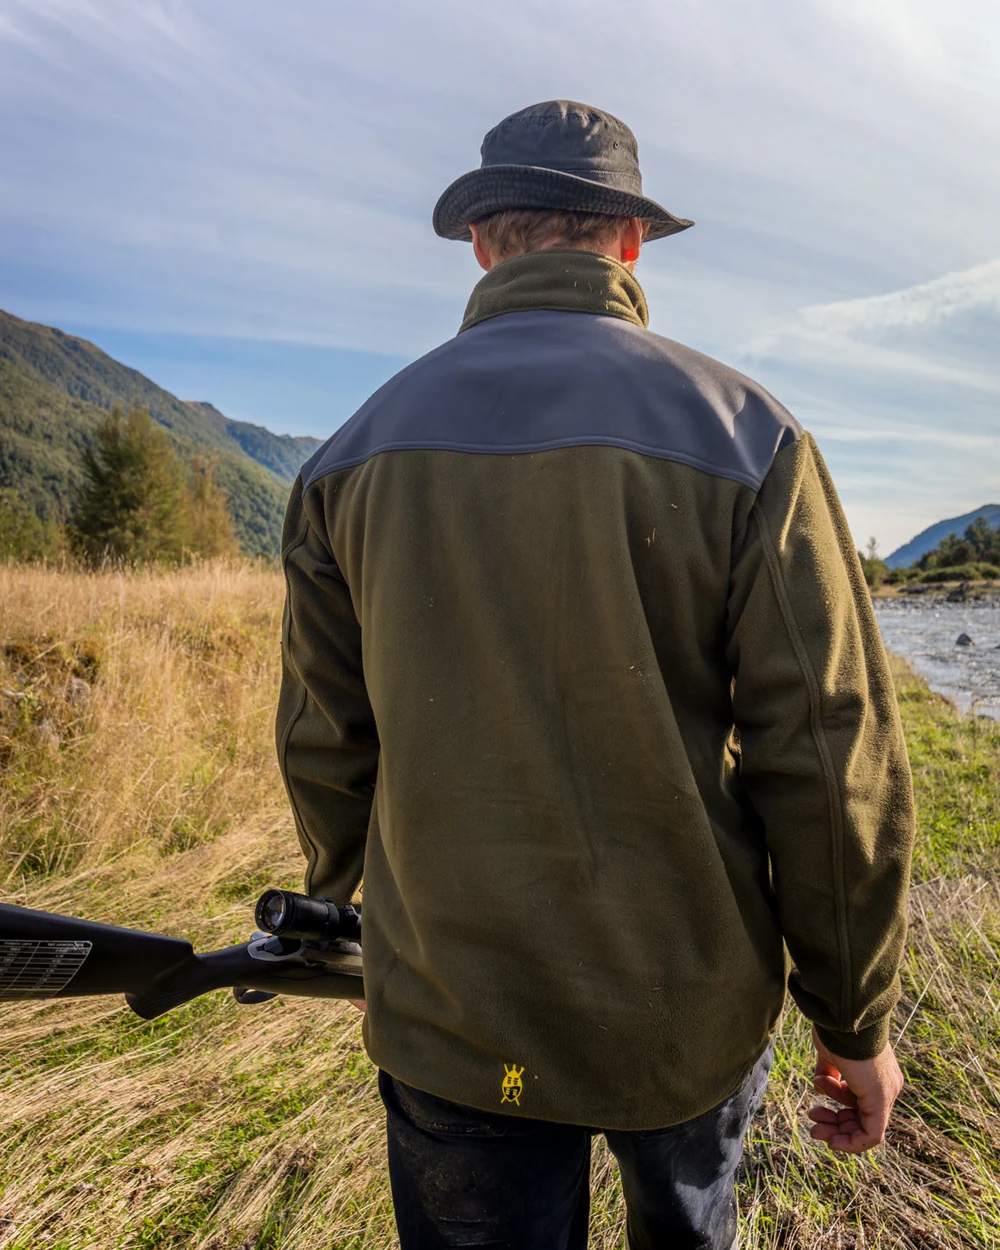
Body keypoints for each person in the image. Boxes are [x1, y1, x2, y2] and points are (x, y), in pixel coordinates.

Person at [275, 99, 916, 1250]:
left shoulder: (349, 454)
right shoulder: (749, 435)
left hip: (450, 1012)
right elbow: (825, 754)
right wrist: (851, 1012)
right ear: (628, 244)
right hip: (681, 1009)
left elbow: (326, 742)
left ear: (480, 239)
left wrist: (359, 927)